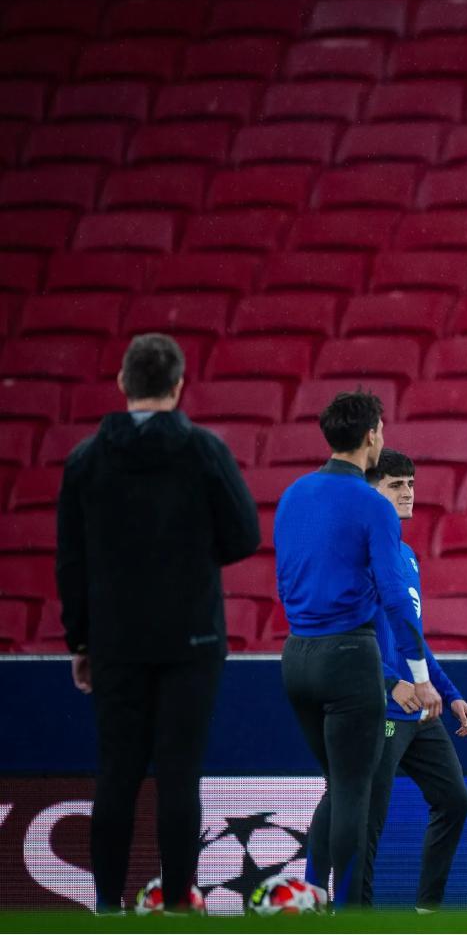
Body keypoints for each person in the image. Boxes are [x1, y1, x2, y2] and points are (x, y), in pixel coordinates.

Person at [55, 333, 260, 913]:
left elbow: (70, 561)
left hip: (115, 642)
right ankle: (176, 906)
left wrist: (80, 640)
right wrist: (191, 553)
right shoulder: (203, 451)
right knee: (179, 777)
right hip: (191, 639)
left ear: (123, 382)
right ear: (178, 385)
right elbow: (244, 535)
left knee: (116, 775)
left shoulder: (86, 460)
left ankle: (106, 907)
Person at [275, 391, 440, 909]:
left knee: (337, 783)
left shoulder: (294, 494)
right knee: (351, 790)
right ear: (372, 435)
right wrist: (419, 676)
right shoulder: (373, 505)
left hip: (296, 655)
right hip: (348, 656)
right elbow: (396, 597)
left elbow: (287, 575)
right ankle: (347, 913)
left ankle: (309, 896)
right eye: (382, 430)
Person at [356, 449, 467, 911]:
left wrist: (450, 693)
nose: (407, 492)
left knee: (455, 800)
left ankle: (427, 912)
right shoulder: (360, 557)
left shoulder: (406, 557)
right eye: (395, 484)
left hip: (419, 708)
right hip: (382, 707)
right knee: (366, 818)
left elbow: (414, 641)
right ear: (371, 491)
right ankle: (353, 914)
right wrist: (391, 683)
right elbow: (352, 639)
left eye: (410, 483)